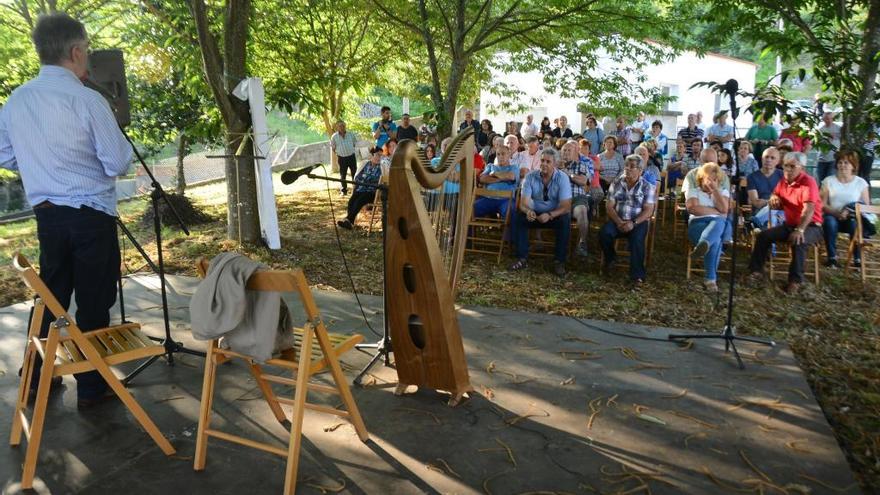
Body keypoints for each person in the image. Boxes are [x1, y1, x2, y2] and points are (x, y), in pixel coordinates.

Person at [0, 13, 133, 408]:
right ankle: (92, 387)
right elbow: (118, 163)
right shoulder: (87, 99)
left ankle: (36, 377)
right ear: (76, 51)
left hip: (48, 217)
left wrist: (43, 165)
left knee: (51, 297)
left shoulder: (17, 100)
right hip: (90, 215)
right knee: (94, 300)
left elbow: (4, 154)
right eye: (87, 50)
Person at [747, 152, 824, 293]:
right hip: (790, 225)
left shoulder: (808, 182)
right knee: (763, 236)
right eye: (785, 166)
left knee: (798, 240)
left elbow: (809, 209)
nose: (788, 169)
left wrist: (800, 230)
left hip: (811, 226)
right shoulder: (783, 181)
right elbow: (776, 196)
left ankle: (795, 281)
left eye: (792, 166)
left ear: (802, 167)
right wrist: (774, 198)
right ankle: (756, 272)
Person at [509, 148, 572, 277]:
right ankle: (522, 258)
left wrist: (550, 215)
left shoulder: (562, 178)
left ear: (554, 164)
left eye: (548, 162)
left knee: (565, 219)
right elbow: (523, 203)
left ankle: (559, 261)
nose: (544, 164)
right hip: (534, 213)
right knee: (517, 217)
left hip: (554, 214)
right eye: (542, 160)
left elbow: (566, 206)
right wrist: (528, 211)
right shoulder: (530, 177)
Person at [599, 154, 657, 287]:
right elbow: (609, 206)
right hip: (618, 219)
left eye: (632, 167)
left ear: (640, 170)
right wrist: (619, 222)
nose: (628, 169)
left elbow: (648, 210)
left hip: (638, 222)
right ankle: (611, 259)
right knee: (604, 233)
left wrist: (633, 222)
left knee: (637, 240)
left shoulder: (647, 186)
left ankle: (637, 275)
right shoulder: (616, 183)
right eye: (626, 166)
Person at [820, 150, 872, 267]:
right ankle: (832, 258)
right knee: (829, 222)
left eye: (846, 163)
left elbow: (866, 206)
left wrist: (848, 211)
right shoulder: (828, 181)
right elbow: (822, 204)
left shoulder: (861, 183)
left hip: (852, 217)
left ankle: (857, 259)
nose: (842, 165)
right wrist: (837, 213)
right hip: (833, 215)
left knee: (855, 225)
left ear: (853, 166)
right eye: (840, 162)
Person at [687, 163, 731, 292]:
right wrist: (717, 212)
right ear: (701, 178)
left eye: (715, 179)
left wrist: (715, 191)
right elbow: (693, 209)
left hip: (716, 225)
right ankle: (710, 279)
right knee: (717, 233)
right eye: (709, 179)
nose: (712, 182)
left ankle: (703, 244)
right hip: (697, 225)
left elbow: (724, 208)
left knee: (715, 236)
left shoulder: (723, 192)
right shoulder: (694, 190)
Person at [337, 147, 384, 230]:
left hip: (372, 192)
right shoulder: (365, 164)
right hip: (361, 190)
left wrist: (366, 179)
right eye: (377, 155)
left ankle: (349, 220)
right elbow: (358, 178)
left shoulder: (381, 168)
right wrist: (367, 179)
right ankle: (349, 221)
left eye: (381, 156)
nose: (379, 158)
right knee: (352, 201)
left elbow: (377, 180)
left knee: (360, 200)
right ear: (371, 155)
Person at [560, 141, 591, 257]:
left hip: (577, 197)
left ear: (575, 153)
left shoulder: (581, 165)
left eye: (569, 150)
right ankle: (541, 241)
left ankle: (582, 243)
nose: (566, 153)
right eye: (564, 150)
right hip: (559, 198)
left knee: (582, 211)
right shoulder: (554, 166)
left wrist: (568, 173)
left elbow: (583, 181)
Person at [474, 144, 518, 219]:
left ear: (509, 155)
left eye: (503, 154)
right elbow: (482, 179)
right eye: (498, 154)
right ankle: (468, 231)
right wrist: (501, 179)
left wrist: (494, 174)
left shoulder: (514, 167)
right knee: (470, 209)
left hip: (506, 200)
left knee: (510, 211)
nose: (500, 156)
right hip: (488, 199)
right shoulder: (490, 166)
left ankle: (508, 231)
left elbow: (511, 176)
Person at [747, 147, 784, 230]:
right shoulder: (752, 177)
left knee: (773, 215)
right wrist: (772, 202)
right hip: (760, 210)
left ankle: (756, 222)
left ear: (777, 161)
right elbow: (756, 202)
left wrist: (767, 202)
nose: (768, 160)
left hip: (780, 211)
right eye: (766, 157)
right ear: (762, 159)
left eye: (772, 158)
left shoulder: (783, 175)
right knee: (772, 216)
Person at [330, 120, 358, 196]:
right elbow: (333, 148)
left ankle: (355, 189)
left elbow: (354, 144)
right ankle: (344, 190)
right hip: (342, 158)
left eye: (343, 126)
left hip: (351, 157)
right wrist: (339, 153)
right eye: (340, 126)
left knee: (355, 173)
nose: (342, 127)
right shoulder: (334, 137)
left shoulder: (351, 134)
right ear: (337, 127)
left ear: (345, 126)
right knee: (343, 175)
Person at [816, 111, 842, 181]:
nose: (828, 120)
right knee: (821, 180)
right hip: (822, 159)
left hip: (833, 159)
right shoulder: (821, 130)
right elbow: (817, 143)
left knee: (830, 179)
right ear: (823, 119)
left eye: (830, 118)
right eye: (826, 118)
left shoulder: (838, 128)